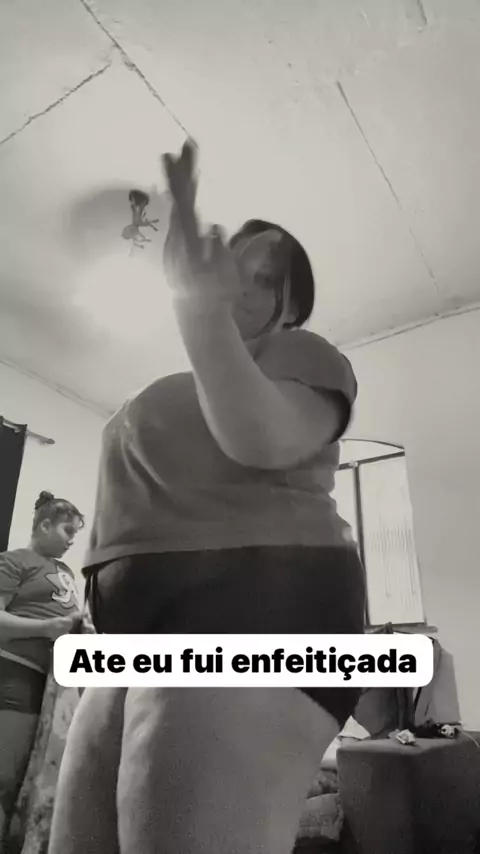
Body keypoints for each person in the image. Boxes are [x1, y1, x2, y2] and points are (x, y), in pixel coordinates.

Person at [48, 141, 366, 854]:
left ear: (292, 306)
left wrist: (198, 308)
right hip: (132, 637)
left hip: (260, 606)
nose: (244, 285)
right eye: (234, 267)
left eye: (267, 279)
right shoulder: (188, 382)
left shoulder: (306, 354)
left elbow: (258, 435)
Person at [0, 491, 84, 847]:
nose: (72, 540)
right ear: (45, 525)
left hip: (53, 688)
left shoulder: (66, 572)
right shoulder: (14, 561)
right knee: (5, 779)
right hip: (16, 676)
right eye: (68, 531)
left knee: (29, 782)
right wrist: (46, 628)